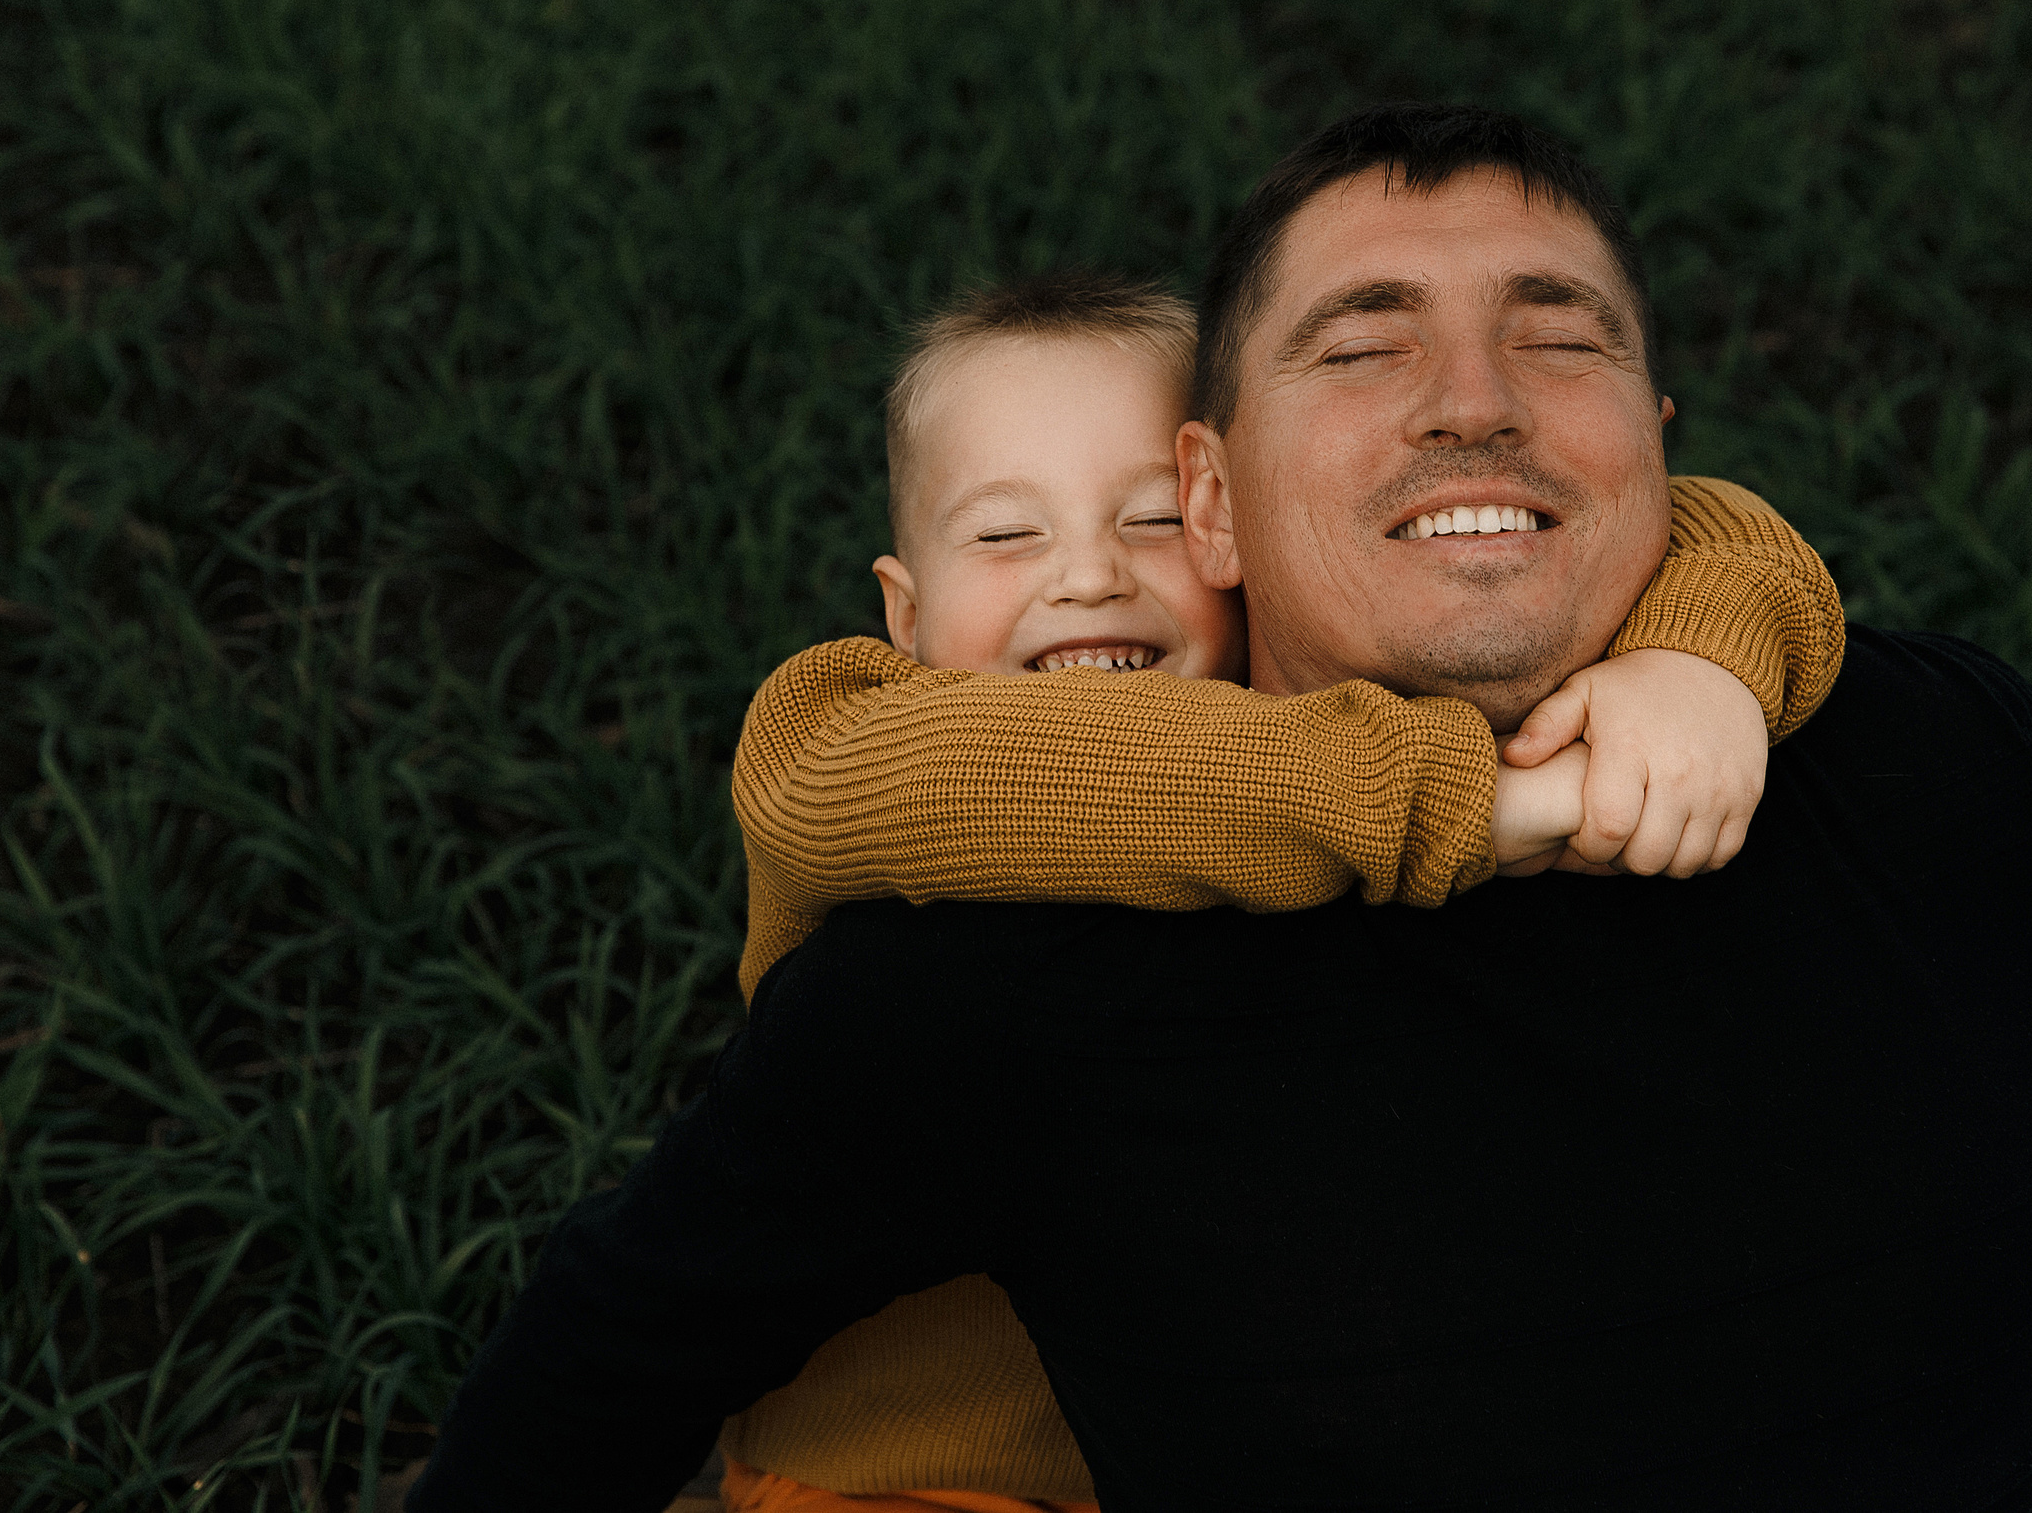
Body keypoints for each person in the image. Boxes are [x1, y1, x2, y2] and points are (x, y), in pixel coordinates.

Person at [410, 103, 2032, 1512]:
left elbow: (1740, 547)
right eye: (1364, 345)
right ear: (1213, 498)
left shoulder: (1945, 774)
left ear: (1657, 439)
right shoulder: (993, 961)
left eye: (1558, 336)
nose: (1476, 400)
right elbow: (599, 1365)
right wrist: (1478, 800)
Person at [706, 272, 1842, 1509]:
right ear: (905, 614)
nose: (1085, 578)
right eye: (1002, 535)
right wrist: (1488, 798)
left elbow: (1711, 517)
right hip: (921, 1478)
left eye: (1147, 522)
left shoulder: (1290, 735)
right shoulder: (851, 745)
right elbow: (985, 772)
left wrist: (1695, 663)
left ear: (1229, 527)